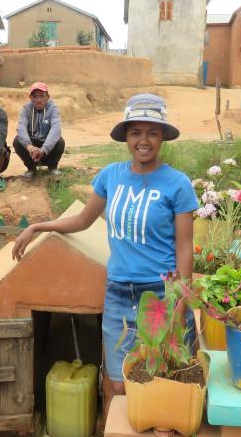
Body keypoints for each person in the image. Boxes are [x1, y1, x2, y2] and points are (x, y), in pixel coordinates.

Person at [12, 94, 197, 408]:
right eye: (135, 132)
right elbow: (83, 220)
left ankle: (158, 434)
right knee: (119, 381)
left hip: (161, 294)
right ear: (126, 137)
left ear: (163, 137)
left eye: (152, 132)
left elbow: (184, 246)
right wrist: (38, 227)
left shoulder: (177, 184)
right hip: (119, 294)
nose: (144, 141)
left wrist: (180, 303)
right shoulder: (111, 176)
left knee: (164, 379)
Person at [13, 82, 65, 181]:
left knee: (59, 141)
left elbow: (56, 129)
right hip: (32, 148)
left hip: (47, 146)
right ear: (30, 98)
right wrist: (29, 146)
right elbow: (21, 128)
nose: (38, 100)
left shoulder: (53, 108)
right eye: (35, 96)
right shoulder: (26, 109)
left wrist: (44, 149)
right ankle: (31, 169)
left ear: (47, 97)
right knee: (17, 141)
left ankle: (52, 168)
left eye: (42, 96)